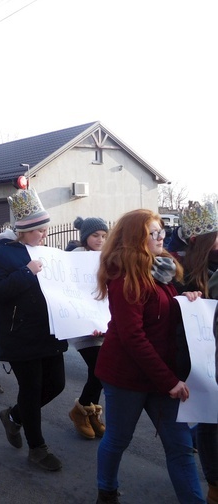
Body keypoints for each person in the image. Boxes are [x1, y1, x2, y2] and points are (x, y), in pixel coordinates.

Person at [95, 209, 204, 504]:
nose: (160, 237)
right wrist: (169, 381)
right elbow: (133, 338)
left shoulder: (162, 271)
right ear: (134, 239)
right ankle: (106, 491)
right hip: (126, 376)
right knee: (118, 439)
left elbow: (166, 315)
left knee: (180, 447)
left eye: (161, 231)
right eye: (152, 233)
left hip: (160, 375)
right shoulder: (124, 278)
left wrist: (187, 300)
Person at [0, 188, 67, 472]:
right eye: (39, 230)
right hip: (20, 334)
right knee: (31, 389)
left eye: (45, 229)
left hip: (49, 332)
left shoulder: (46, 252)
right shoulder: (3, 255)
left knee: (56, 384)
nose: (44, 234)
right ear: (24, 231)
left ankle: (13, 416)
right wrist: (26, 272)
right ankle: (37, 448)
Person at [173, 201, 218, 504]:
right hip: (200, 353)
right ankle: (214, 484)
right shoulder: (180, 268)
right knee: (210, 419)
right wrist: (186, 297)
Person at [67, 216, 109, 440]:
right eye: (95, 236)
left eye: (104, 236)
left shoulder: (107, 258)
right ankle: (80, 411)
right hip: (83, 325)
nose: (100, 240)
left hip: (103, 324)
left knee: (100, 371)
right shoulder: (74, 259)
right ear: (85, 238)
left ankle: (91, 412)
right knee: (99, 369)